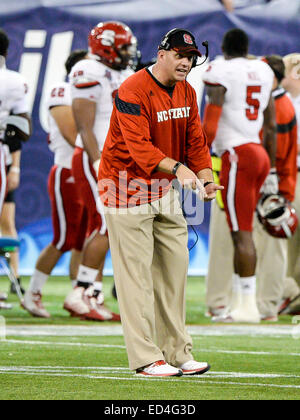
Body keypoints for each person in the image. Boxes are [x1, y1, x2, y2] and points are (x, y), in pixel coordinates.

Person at [98, 28, 222, 377]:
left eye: (191, 56)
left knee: (174, 271)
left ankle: (178, 352)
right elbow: (139, 149)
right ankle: (145, 358)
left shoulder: (186, 90)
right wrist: (181, 169)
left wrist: (206, 176)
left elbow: (196, 141)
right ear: (162, 53)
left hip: (164, 189)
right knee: (135, 277)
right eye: (180, 55)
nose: (186, 62)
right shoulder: (133, 89)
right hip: (125, 188)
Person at [205, 54, 298, 322]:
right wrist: (285, 190)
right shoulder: (284, 105)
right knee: (270, 247)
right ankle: (266, 306)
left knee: (229, 239)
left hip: (245, 178)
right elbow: (288, 156)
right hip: (271, 182)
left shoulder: (273, 106)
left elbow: (276, 149)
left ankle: (220, 302)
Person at [64, 21, 137, 321]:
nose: (128, 53)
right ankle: (80, 292)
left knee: (106, 225)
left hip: (116, 158)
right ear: (106, 46)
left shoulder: (120, 72)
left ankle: (91, 293)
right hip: (97, 156)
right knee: (108, 225)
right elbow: (84, 125)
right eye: (123, 48)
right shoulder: (88, 69)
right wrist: (98, 161)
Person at [202, 28, 277, 323]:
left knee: (240, 233)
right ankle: (240, 304)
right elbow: (270, 126)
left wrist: (197, 157)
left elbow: (210, 124)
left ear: (223, 47)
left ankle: (247, 307)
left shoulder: (221, 70)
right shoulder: (262, 68)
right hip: (257, 152)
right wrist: (270, 167)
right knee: (243, 232)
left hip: (236, 154)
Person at [21, 50, 89, 318]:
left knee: (83, 241)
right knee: (64, 238)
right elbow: (74, 135)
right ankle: (32, 294)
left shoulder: (90, 94)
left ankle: (78, 296)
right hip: (67, 171)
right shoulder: (63, 90)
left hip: (84, 173)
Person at [0, 28, 31, 303]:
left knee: (7, 221)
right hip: (3, 157)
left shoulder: (10, 83)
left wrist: (16, 168)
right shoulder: (13, 81)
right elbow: (21, 128)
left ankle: (15, 277)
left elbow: (18, 131)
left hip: (4, 158)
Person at [279, 53, 300, 315]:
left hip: (292, 172)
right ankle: (288, 292)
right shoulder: (282, 101)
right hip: (290, 173)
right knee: (285, 235)